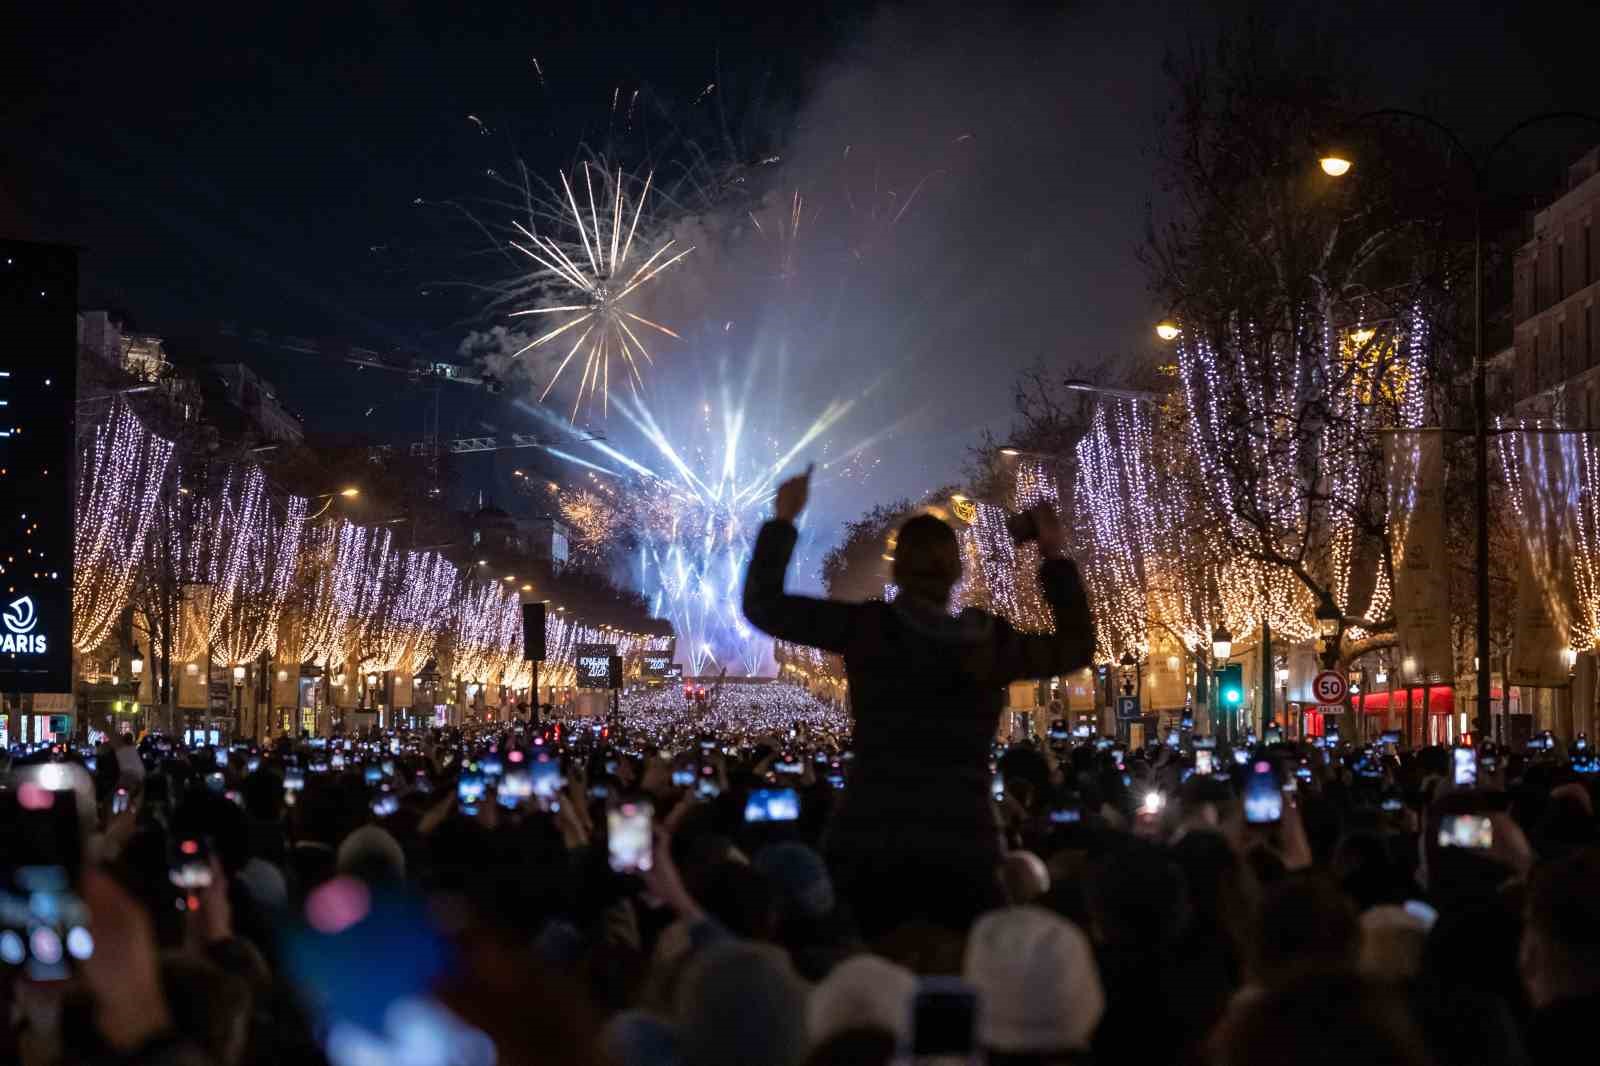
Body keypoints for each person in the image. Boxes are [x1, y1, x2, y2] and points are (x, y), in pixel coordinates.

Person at [742, 466, 1095, 938]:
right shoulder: (988, 644)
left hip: (871, 830)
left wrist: (783, 520)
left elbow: (763, 606)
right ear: (956, 570)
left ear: (897, 570)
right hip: (964, 835)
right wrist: (1052, 553)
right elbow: (1076, 646)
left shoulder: (870, 630)